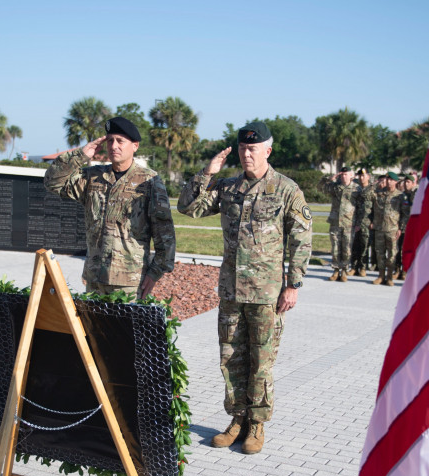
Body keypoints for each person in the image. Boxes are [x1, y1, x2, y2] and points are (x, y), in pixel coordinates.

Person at [178, 122, 312, 454]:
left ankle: (256, 425)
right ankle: (236, 419)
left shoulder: (286, 190)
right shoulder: (227, 187)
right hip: (231, 292)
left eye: (253, 149)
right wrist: (207, 173)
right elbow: (188, 207)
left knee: (261, 361)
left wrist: (292, 285)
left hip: (267, 294)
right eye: (242, 149)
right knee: (231, 359)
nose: (246, 154)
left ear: (268, 150)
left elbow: (300, 240)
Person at [43, 116, 175, 297]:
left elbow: (164, 232)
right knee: (92, 326)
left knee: (125, 326)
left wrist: (155, 272)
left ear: (135, 146)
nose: (114, 146)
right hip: (95, 277)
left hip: (129, 281)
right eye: (110, 141)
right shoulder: (92, 177)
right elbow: (52, 182)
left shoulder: (149, 182)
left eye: (120, 141)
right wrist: (80, 155)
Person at [319, 167, 359, 281]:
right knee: (335, 248)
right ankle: (336, 271)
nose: (343, 177)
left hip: (349, 223)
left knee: (346, 249)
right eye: (342, 175)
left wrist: (359, 223)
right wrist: (329, 179)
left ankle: (344, 271)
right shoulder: (335, 187)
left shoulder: (357, 189)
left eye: (346, 174)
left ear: (351, 176)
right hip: (335, 222)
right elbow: (320, 187)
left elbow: (361, 207)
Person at [370, 172, 408, 286]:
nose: (388, 182)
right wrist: (374, 185)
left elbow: (404, 214)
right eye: (387, 179)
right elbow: (365, 195)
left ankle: (390, 276)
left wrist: (400, 228)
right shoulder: (378, 193)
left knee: (392, 254)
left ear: (396, 182)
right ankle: (381, 276)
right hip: (379, 228)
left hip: (392, 230)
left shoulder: (400, 196)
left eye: (391, 180)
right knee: (380, 254)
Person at [350, 168, 375, 276]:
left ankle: (363, 267)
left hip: (367, 223)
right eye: (359, 176)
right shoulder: (356, 189)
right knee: (355, 246)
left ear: (368, 177)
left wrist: (373, 221)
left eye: (363, 175)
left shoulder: (373, 190)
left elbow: (376, 207)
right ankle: (354, 267)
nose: (361, 177)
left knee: (365, 246)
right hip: (355, 223)